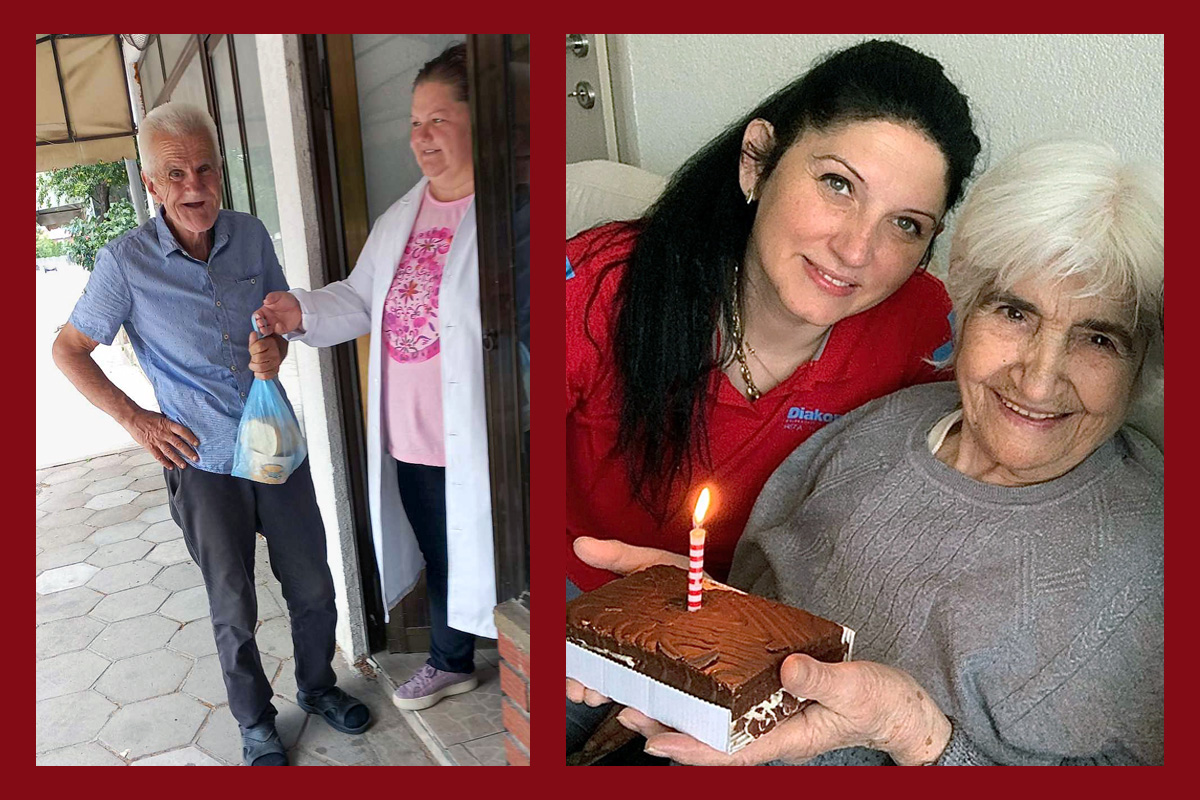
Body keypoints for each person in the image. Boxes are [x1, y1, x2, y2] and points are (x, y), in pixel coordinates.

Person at [573, 138, 1164, 765]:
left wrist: (913, 733)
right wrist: (686, 658)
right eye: (1015, 313)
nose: (1039, 380)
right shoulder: (887, 422)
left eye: (1099, 338)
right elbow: (756, 591)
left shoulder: (1150, 562)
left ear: (1143, 367)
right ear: (965, 310)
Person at [565, 39, 980, 755]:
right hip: (578, 606)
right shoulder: (605, 284)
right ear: (758, 160)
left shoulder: (923, 329)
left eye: (906, 224)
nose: (856, 249)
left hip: (755, 647)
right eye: (839, 185)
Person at [52, 102, 369, 766]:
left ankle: (315, 687)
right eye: (176, 173)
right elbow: (68, 349)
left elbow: (280, 326)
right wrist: (136, 420)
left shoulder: (250, 235)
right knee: (234, 604)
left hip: (274, 442)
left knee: (311, 583)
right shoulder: (126, 263)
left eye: (204, 168)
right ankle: (255, 722)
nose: (193, 187)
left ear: (220, 171)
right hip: (200, 458)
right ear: (151, 183)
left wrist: (274, 354)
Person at [253, 42, 499, 711]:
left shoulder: (509, 215)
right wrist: (300, 308)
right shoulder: (402, 217)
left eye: (438, 120)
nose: (422, 138)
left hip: (486, 431)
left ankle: (536, 659)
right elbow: (361, 299)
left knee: (504, 551)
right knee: (444, 554)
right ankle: (452, 661)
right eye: (415, 123)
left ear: (480, 121)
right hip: (413, 435)